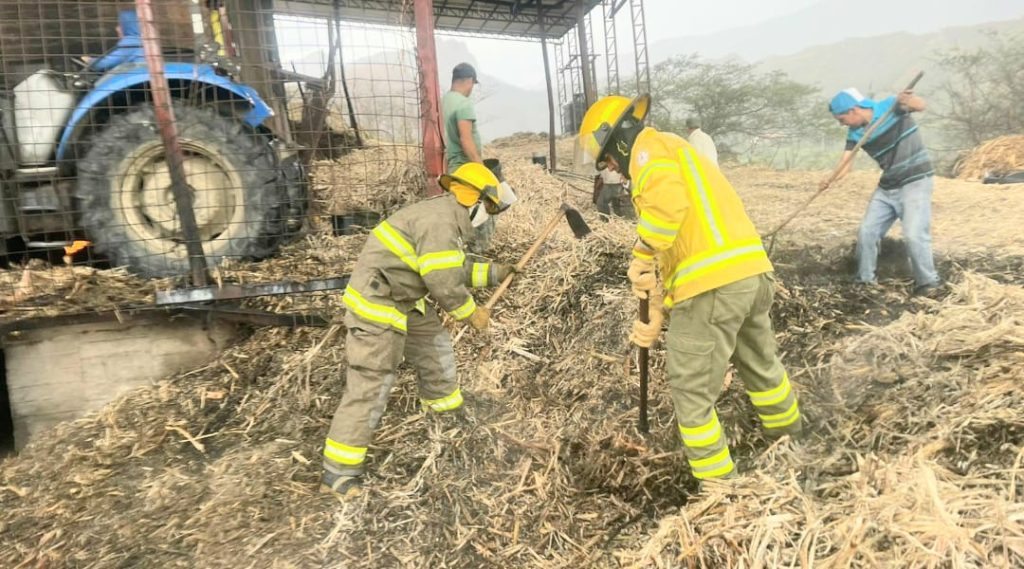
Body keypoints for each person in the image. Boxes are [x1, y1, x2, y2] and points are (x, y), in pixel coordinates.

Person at [578, 94, 803, 483]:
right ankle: (791, 442)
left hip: (713, 287)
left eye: (608, 159)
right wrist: (658, 303)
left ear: (618, 141)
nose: (611, 168)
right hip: (750, 274)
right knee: (762, 366)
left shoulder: (647, 153)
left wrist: (641, 254)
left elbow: (667, 210)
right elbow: (682, 235)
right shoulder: (674, 148)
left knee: (691, 392)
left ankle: (720, 488)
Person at [320, 163, 518, 499]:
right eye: (488, 208)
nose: (488, 218)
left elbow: (453, 267)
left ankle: (445, 416)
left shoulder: (444, 217)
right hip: (379, 303)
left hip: (404, 298)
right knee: (372, 383)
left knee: (435, 347)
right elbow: (442, 280)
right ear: (474, 201)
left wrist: (497, 273)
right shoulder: (441, 222)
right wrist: (470, 313)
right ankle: (337, 473)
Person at [823, 87, 941, 296]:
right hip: (887, 186)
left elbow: (921, 106)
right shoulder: (855, 133)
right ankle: (865, 281)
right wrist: (829, 180)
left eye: (842, 119)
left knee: (914, 235)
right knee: (867, 232)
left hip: (915, 181)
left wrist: (907, 100)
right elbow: (846, 163)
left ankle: (928, 283)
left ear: (853, 110)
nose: (842, 124)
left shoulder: (890, 107)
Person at [442, 63, 495, 253]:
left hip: (452, 167)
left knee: (460, 213)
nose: (472, 88)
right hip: (466, 167)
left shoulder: (444, 101)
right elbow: (466, 139)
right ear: (469, 81)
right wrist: (481, 170)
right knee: (479, 214)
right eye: (473, 83)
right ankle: (479, 253)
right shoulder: (463, 104)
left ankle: (461, 251)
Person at [80, 10, 146, 73]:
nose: (116, 28)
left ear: (128, 26)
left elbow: (103, 65)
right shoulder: (141, 40)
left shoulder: (131, 43)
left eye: (120, 25)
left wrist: (88, 60)